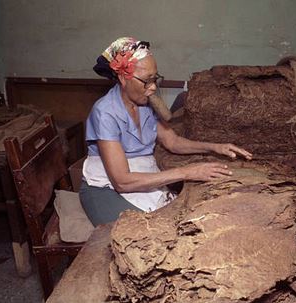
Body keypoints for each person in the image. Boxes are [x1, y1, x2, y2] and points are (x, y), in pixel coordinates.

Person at [79, 37, 252, 226]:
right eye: (146, 81)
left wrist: (215, 147)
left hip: (141, 176)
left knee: (187, 217)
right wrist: (186, 172)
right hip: (107, 186)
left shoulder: (145, 104)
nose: (153, 87)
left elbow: (173, 142)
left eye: (155, 79)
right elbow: (122, 181)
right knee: (147, 232)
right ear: (122, 78)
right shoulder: (105, 112)